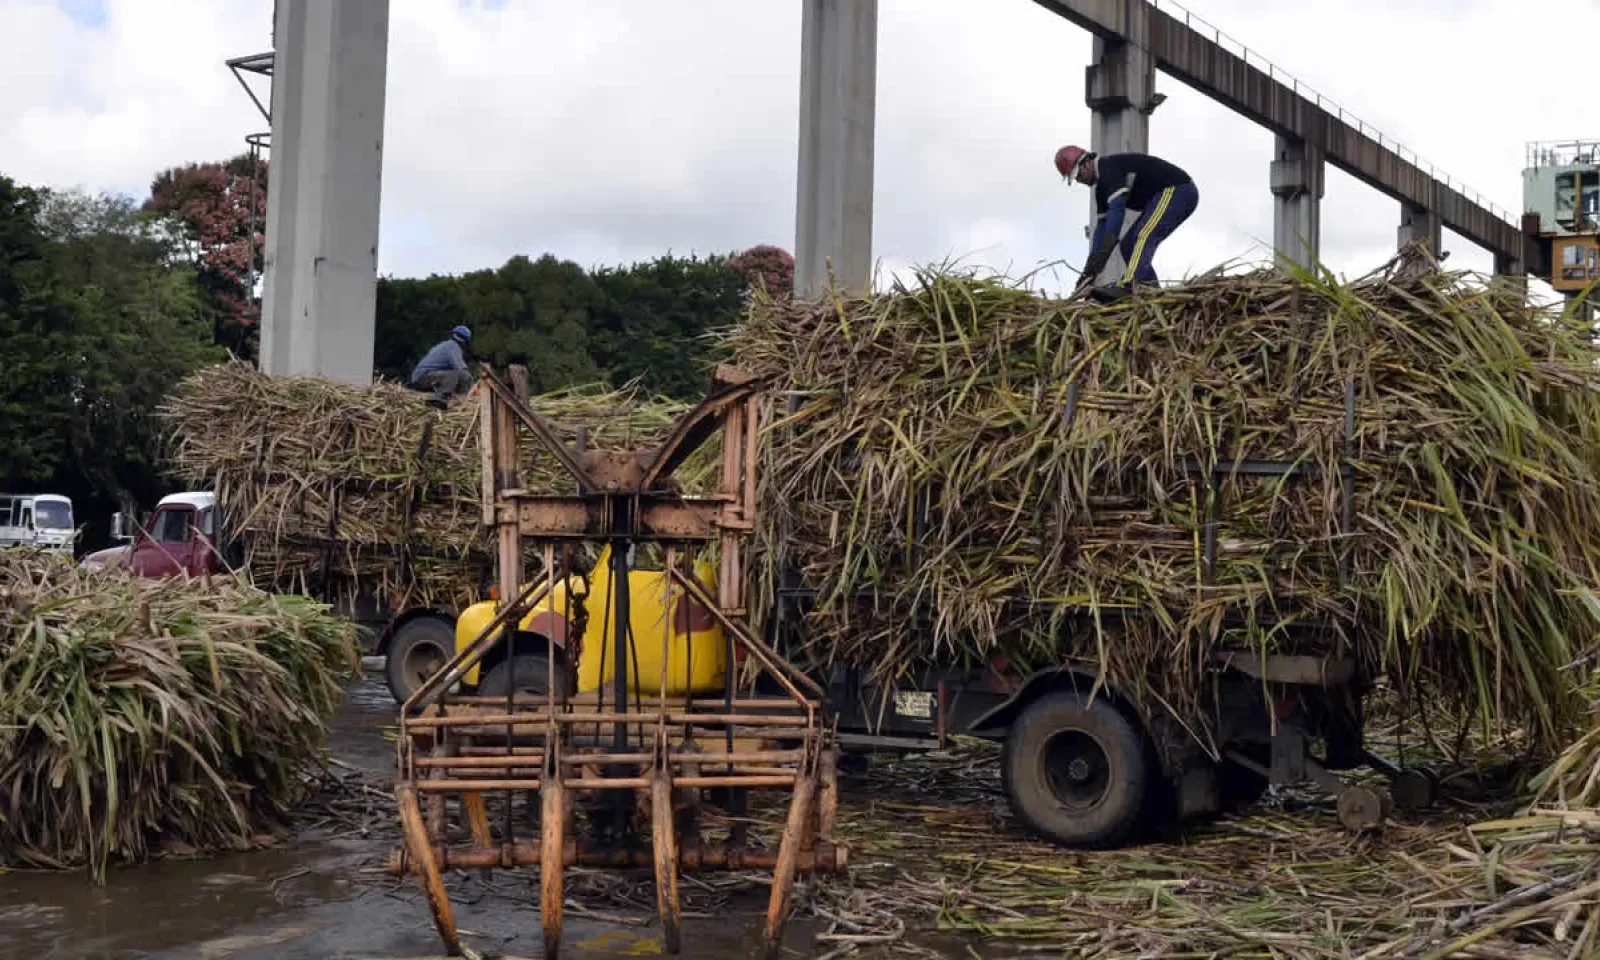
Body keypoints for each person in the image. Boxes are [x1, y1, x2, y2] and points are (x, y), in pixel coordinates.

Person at [1054, 145, 1199, 302]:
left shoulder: (1108, 168)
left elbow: (1117, 210)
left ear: (1086, 163)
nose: (1079, 180)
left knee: (1142, 235)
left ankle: (1130, 286)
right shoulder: (1101, 190)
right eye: (1075, 178)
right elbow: (1101, 230)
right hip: (1163, 197)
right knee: (1128, 245)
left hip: (1178, 191)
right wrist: (1089, 272)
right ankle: (1151, 290)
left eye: (1078, 175)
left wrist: (1109, 241)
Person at [410, 325, 474, 405]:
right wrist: (473, 387)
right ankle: (442, 398)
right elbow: (462, 369)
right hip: (423, 377)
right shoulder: (453, 346)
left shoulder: (445, 345)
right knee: (459, 375)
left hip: (424, 377)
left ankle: (455, 398)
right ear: (465, 342)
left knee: (456, 376)